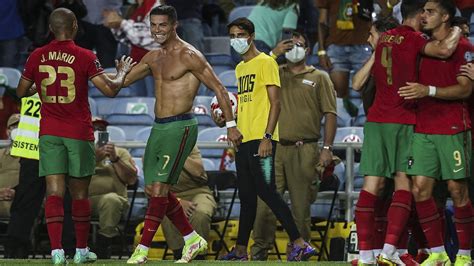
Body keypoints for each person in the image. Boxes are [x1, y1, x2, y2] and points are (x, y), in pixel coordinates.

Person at [120, 5, 242, 264]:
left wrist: (231, 126)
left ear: (174, 25)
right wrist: (115, 73)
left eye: (162, 25)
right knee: (154, 190)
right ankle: (191, 238)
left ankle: (141, 250)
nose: (157, 30)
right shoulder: (153, 57)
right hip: (158, 126)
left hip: (181, 126)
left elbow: (219, 88)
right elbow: (118, 85)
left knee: (161, 187)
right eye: (153, 25)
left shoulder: (189, 54)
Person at [15, 7, 135, 264]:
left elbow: (21, 91)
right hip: (78, 132)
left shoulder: (37, 55)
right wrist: (123, 72)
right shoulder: (85, 56)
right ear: (75, 28)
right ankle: (81, 250)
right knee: (79, 193)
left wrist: (43, 85)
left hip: (49, 133)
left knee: (54, 192)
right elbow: (110, 90)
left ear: (50, 28)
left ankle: (56, 251)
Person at [354, 0, 463, 265]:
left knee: (371, 187)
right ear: (418, 15)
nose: (427, 17)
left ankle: (366, 256)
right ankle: (391, 249)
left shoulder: (385, 38)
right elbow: (445, 49)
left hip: (376, 120)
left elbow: (358, 83)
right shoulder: (413, 39)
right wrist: (459, 27)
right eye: (425, 13)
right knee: (404, 184)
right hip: (402, 119)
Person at [217, 17, 315, 262]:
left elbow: (276, 103)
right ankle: (241, 250)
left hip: (262, 139)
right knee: (248, 197)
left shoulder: (266, 63)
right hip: (243, 139)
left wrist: (268, 138)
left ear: (250, 36)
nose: (235, 40)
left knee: (268, 193)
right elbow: (248, 103)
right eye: (231, 36)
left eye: (239, 35)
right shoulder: (240, 68)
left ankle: (300, 242)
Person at [249, 30, 337, 261]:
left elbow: (330, 113)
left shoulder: (320, 77)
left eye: (298, 45)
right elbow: (252, 80)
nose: (293, 49)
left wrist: (327, 148)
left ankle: (298, 254)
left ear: (308, 50)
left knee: (300, 209)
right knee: (264, 204)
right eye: (288, 46)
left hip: (304, 150)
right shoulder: (274, 72)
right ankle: (259, 253)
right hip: (273, 150)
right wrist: (271, 54)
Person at [397, 0, 473, 264]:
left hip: (452, 128)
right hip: (422, 129)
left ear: (445, 17)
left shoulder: (463, 48)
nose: (424, 16)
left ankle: (464, 256)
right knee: (420, 190)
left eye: (430, 12)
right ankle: (438, 253)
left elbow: (465, 89)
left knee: (457, 190)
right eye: (423, 11)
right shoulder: (420, 46)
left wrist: (427, 90)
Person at [89, 116, 138, 259]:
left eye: (101, 129)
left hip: (115, 200)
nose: (98, 131)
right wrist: (94, 159)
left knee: (111, 200)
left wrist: (115, 159)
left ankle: (103, 245)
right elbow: (70, 178)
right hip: (85, 199)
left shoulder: (120, 152)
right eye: (94, 129)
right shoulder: (80, 152)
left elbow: (131, 180)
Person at [160, 146, 216, 260]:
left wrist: (179, 153)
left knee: (200, 213)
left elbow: (199, 173)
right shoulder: (152, 150)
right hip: (169, 195)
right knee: (167, 213)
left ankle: (199, 257)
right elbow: (151, 188)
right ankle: (179, 254)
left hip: (198, 191)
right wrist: (178, 202)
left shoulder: (189, 146)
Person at [103, 0, 162, 97]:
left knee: (153, 102)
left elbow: (152, 37)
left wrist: (122, 23)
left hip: (154, 66)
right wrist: (115, 25)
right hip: (136, 65)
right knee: (138, 103)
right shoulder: (135, 8)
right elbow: (127, 39)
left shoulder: (155, 6)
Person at [0, 114, 20, 217]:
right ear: (8, 131)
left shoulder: (35, 158)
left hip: (22, 203)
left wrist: (17, 194)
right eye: (15, 127)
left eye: (22, 127)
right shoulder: (0, 155)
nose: (18, 131)